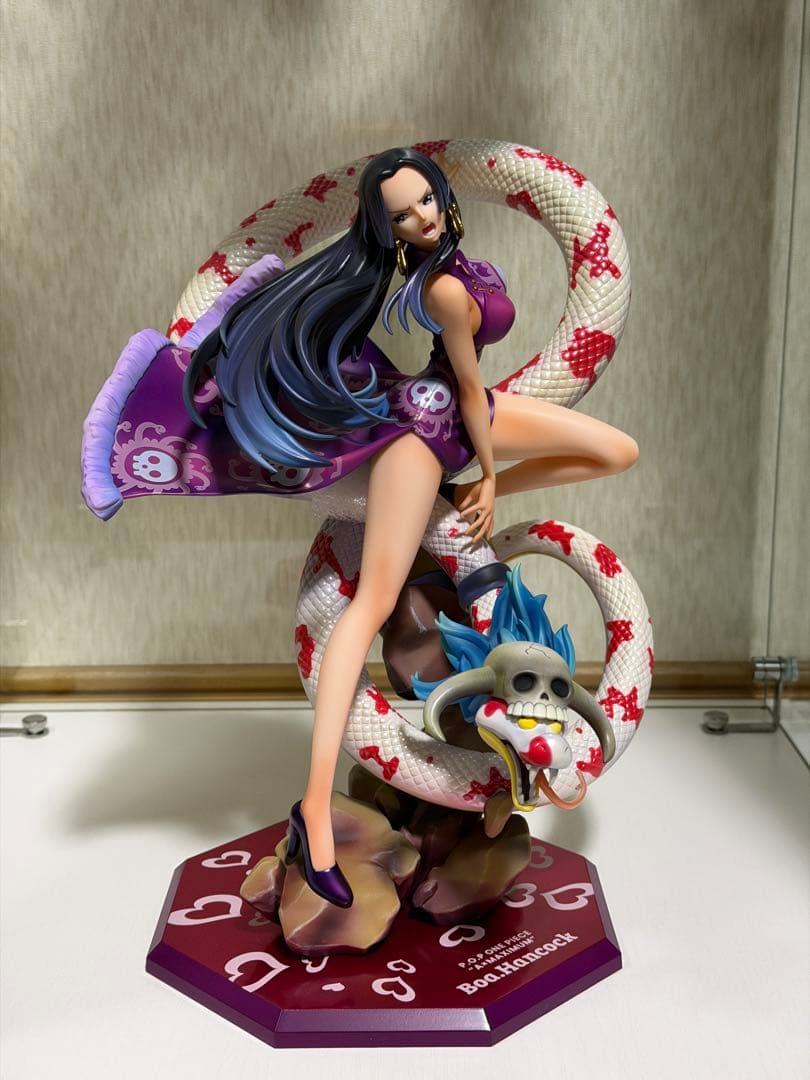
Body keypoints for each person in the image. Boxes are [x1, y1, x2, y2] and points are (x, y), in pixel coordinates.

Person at [180, 147, 638, 907]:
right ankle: (314, 808)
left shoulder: (456, 264)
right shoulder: (446, 287)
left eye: (426, 199)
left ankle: (458, 500)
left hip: (457, 419)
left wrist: (489, 483)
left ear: (443, 195)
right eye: (401, 214)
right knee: (369, 606)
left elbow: (476, 390)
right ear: (385, 227)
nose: (421, 218)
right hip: (431, 431)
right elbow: (468, 387)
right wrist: (486, 470)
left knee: (614, 450)